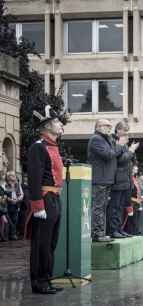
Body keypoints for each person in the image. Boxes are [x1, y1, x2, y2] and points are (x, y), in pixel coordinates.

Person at [26, 105, 65, 294]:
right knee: (41, 242)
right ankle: (39, 282)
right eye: (57, 122)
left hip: (55, 198)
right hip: (45, 199)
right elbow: (34, 177)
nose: (60, 124)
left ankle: (46, 279)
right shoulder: (38, 147)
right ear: (47, 126)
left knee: (51, 243)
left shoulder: (53, 147)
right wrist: (37, 205)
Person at [88, 119, 122, 242]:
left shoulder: (106, 140)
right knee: (98, 207)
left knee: (102, 207)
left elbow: (112, 153)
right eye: (107, 125)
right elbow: (108, 155)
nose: (109, 128)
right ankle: (97, 233)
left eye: (110, 126)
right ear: (98, 127)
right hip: (99, 179)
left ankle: (101, 232)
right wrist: (120, 147)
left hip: (106, 179)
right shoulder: (96, 139)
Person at [108, 121, 138, 239]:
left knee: (121, 207)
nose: (126, 134)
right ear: (118, 130)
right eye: (125, 132)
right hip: (117, 179)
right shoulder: (114, 141)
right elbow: (120, 160)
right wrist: (131, 150)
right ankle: (113, 230)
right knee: (115, 207)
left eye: (127, 132)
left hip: (125, 179)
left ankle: (119, 229)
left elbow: (129, 160)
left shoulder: (123, 143)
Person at [3, 171, 24, 240]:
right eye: (11, 176)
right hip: (7, 205)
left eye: (13, 175)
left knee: (15, 220)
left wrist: (18, 199)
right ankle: (9, 235)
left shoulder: (17, 185)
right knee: (9, 220)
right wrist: (10, 199)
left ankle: (13, 235)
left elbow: (21, 194)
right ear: (8, 177)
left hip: (16, 205)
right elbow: (3, 195)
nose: (13, 177)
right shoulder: (5, 185)